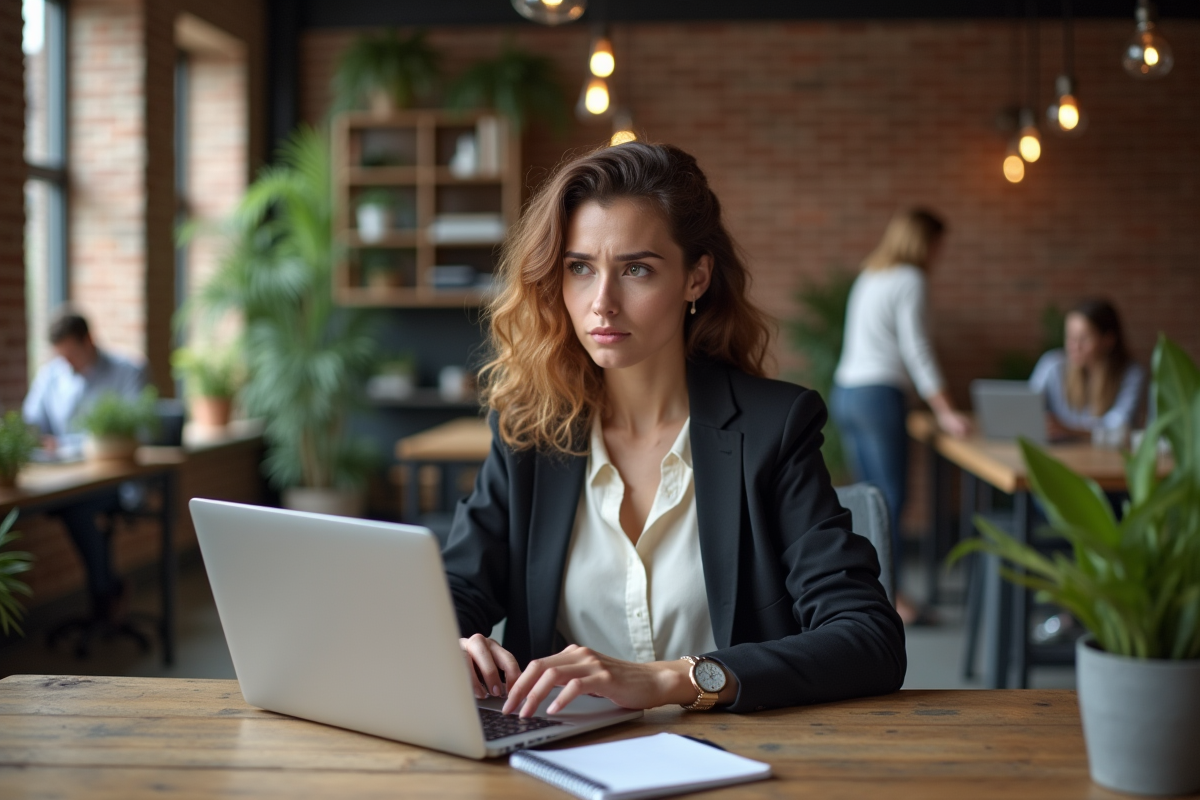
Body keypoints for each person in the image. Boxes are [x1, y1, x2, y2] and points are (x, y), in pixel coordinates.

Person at [443, 142, 905, 719]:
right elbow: (456, 590)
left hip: (737, 755)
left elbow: (869, 639)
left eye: (636, 269)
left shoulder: (773, 430)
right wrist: (453, 642)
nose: (602, 303)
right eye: (580, 268)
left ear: (696, 277)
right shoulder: (529, 433)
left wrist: (673, 679)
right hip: (561, 760)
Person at [830, 208, 970, 626]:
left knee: (869, 499)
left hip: (847, 393)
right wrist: (945, 410)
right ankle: (892, 598)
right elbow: (917, 348)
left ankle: (871, 591)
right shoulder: (910, 279)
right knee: (890, 499)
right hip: (878, 395)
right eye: (938, 244)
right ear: (925, 242)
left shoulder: (871, 274)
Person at [22, 311, 148, 620]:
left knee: (76, 508)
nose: (66, 363)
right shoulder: (51, 374)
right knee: (66, 504)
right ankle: (109, 588)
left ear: (88, 341)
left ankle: (105, 593)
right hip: (63, 476)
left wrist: (66, 444)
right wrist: (34, 439)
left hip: (115, 480)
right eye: (60, 355)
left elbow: (136, 430)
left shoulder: (127, 370)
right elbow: (31, 422)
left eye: (71, 354)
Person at [1029, 299, 1144, 440]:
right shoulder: (1052, 365)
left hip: (1105, 457)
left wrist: (1068, 430)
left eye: (1084, 339)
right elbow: (1029, 406)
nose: (1074, 347)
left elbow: (1119, 428)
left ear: (1108, 340)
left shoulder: (1130, 374)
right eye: (1070, 337)